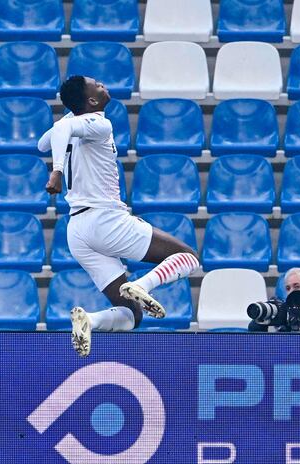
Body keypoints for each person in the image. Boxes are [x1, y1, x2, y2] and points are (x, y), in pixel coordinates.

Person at [38, 75, 200, 357]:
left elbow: (43, 142)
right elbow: (59, 131)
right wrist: (57, 171)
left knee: (132, 315)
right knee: (188, 256)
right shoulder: (101, 124)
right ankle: (140, 285)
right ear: (91, 100)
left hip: (77, 229)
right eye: (97, 85)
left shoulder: (71, 127)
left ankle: (90, 320)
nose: (103, 84)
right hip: (105, 220)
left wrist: (68, 118)